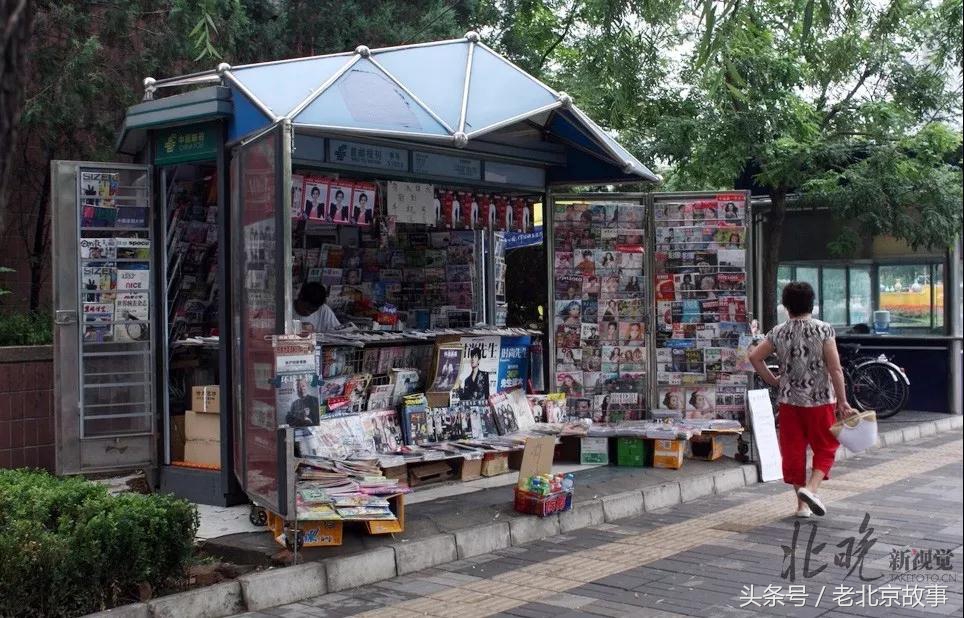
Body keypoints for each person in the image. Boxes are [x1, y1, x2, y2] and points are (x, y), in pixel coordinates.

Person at [749, 281, 855, 519]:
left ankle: (801, 506)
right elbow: (835, 369)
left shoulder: (778, 332)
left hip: (789, 403)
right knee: (826, 447)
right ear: (812, 304)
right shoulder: (824, 330)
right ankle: (812, 489)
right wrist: (842, 401)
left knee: (794, 452)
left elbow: (755, 357)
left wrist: (773, 380)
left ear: (786, 306)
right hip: (820, 401)